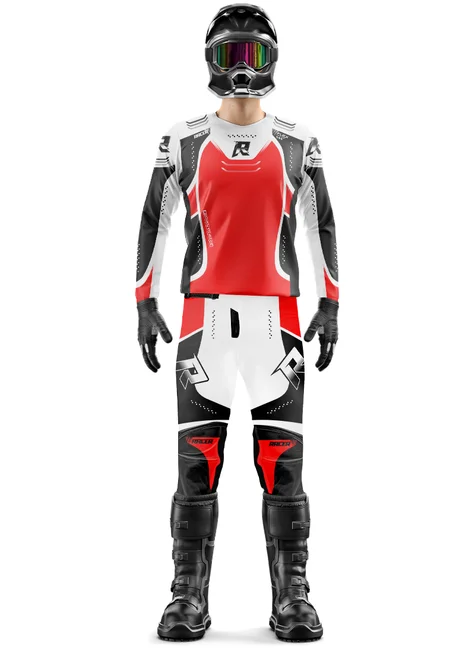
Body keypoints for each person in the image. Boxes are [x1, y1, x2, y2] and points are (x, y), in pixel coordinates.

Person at [135, 3, 339, 642]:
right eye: (231, 55)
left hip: (279, 324)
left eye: (255, 54)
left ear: (273, 60)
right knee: (197, 465)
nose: (243, 69)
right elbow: (154, 220)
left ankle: (294, 596)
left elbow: (322, 224)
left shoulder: (300, 141)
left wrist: (331, 303)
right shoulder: (182, 140)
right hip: (204, 322)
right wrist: (144, 302)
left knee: (284, 465)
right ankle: (186, 594)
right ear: (211, 61)